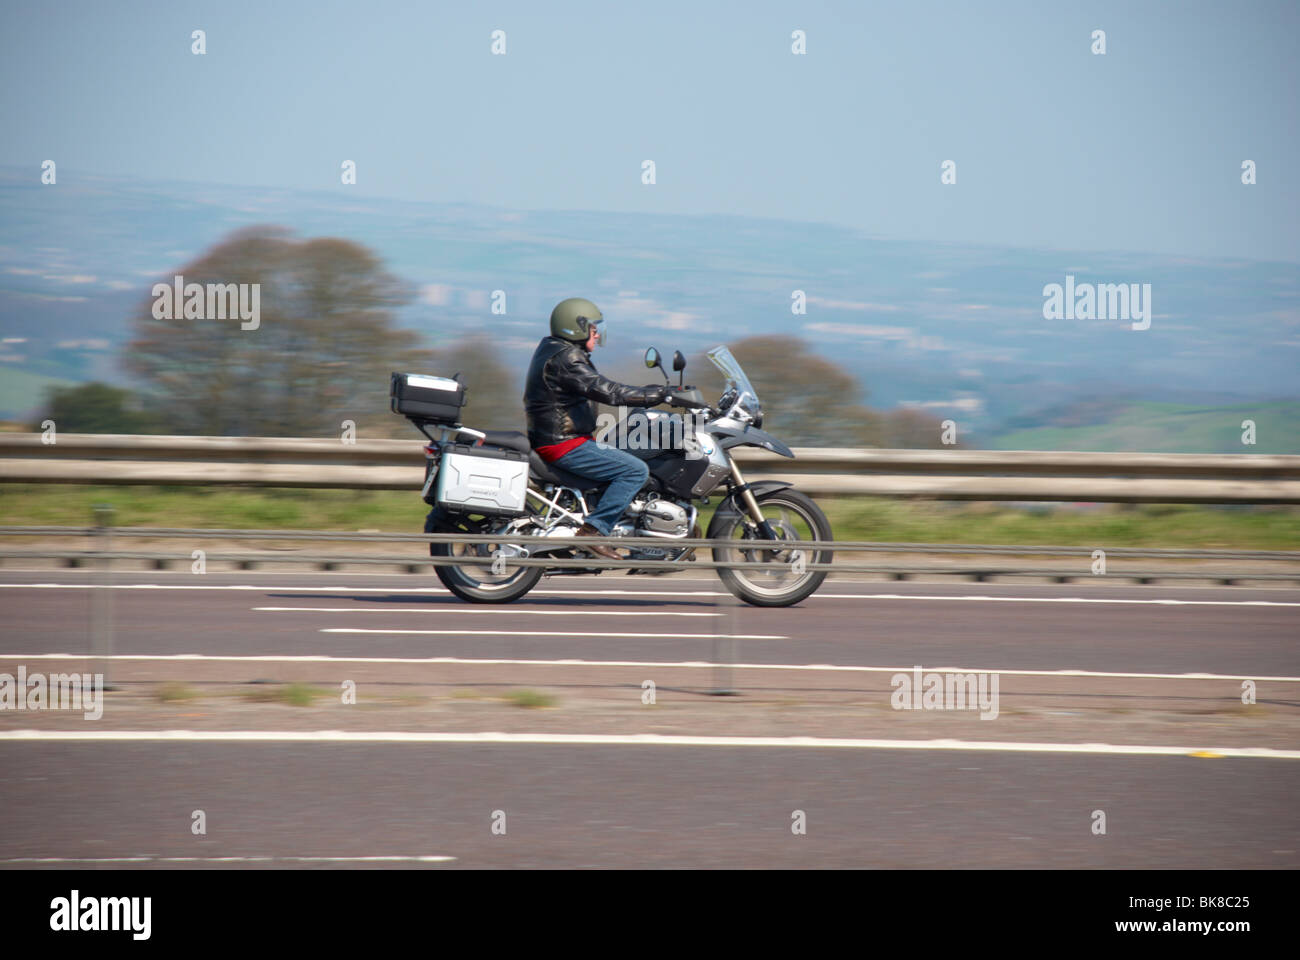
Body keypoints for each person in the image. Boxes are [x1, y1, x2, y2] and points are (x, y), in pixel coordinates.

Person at [524, 298, 670, 560]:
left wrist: (645, 394)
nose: (597, 333)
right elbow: (607, 391)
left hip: (564, 439)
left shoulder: (554, 350)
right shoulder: (567, 357)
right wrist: (655, 395)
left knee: (624, 453)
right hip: (563, 444)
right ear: (575, 327)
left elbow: (600, 387)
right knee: (635, 470)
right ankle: (594, 531)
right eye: (593, 328)